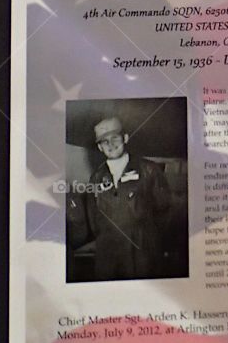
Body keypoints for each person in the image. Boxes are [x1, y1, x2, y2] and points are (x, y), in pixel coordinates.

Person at [74, 116, 175, 281]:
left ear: (125, 138)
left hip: (142, 253)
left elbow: (165, 211)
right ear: (100, 147)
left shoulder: (149, 170)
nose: (110, 144)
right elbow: (94, 218)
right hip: (108, 256)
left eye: (115, 138)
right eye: (104, 142)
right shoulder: (97, 177)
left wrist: (149, 240)